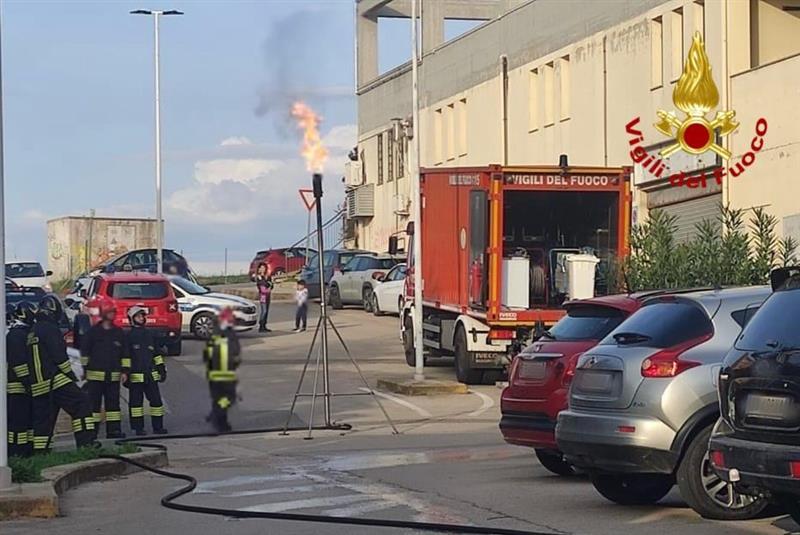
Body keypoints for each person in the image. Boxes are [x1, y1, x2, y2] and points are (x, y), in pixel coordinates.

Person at [28, 294, 96, 452]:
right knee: (82, 404)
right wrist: (72, 378)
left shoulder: (33, 331)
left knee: (44, 422)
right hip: (55, 380)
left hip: (39, 385)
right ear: (54, 310)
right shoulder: (50, 329)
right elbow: (60, 358)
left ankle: (41, 453)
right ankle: (86, 445)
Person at [82, 298, 127, 439]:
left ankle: (114, 431)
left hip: (113, 376)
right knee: (93, 407)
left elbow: (125, 354)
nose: (113, 314)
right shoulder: (93, 333)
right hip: (95, 377)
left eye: (114, 312)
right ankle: (92, 432)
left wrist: (125, 371)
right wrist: (84, 371)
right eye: (110, 312)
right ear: (104, 313)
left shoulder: (119, 333)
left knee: (113, 406)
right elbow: (85, 353)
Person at [124, 305, 167, 436]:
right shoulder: (128, 336)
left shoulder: (150, 334)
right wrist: (125, 373)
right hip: (135, 377)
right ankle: (138, 428)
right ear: (132, 318)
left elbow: (157, 354)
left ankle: (158, 427)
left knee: (157, 403)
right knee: (136, 405)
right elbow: (125, 357)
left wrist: (161, 369)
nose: (141, 318)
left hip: (150, 376)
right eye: (138, 316)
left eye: (142, 316)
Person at [203, 308, 241, 432]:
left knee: (217, 398)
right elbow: (235, 354)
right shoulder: (229, 335)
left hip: (214, 374)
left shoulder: (214, 333)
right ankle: (219, 418)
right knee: (228, 399)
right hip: (226, 374)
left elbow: (206, 355)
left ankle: (216, 415)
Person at [7, 302, 35, 457]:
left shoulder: (23, 333)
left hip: (22, 387)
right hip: (16, 388)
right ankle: (16, 452)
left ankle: (25, 451)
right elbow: (19, 363)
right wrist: (28, 382)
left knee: (26, 423)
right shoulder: (16, 335)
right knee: (18, 424)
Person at [255, 263, 273, 333]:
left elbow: (271, 284)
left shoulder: (268, 276)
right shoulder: (259, 277)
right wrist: (267, 284)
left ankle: (264, 325)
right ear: (259, 269)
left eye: (264, 268)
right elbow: (262, 285)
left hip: (268, 295)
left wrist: (270, 286)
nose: (263, 269)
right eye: (261, 268)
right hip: (263, 296)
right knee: (264, 310)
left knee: (267, 311)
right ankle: (261, 325)